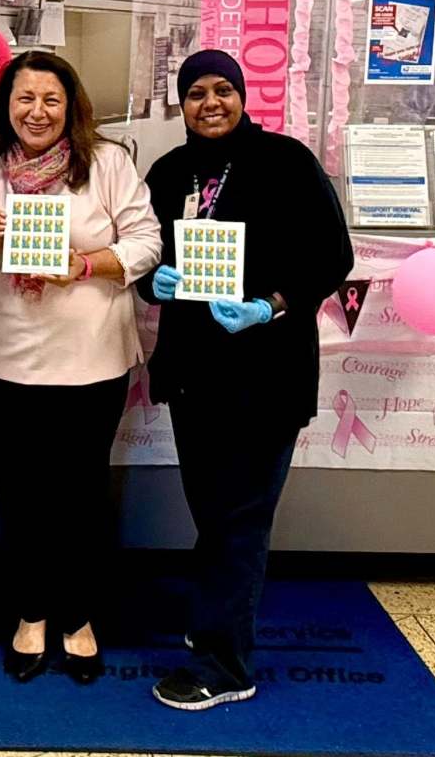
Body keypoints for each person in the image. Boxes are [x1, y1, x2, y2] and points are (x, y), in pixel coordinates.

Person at [137, 50, 353, 711]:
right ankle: (218, 620)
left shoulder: (286, 161)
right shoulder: (169, 172)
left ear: (242, 93)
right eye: (195, 92)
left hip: (266, 373)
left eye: (223, 89)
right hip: (193, 374)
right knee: (214, 514)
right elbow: (147, 256)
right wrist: (154, 280)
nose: (210, 102)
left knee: (240, 518)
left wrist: (274, 304)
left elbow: (332, 255)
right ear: (181, 103)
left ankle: (224, 665)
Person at [0, 51, 162, 684]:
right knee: (20, 497)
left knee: (78, 497)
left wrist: (83, 265)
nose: (36, 111)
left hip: (91, 360)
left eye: (50, 99)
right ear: (4, 106)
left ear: (70, 106)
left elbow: (148, 242)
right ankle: (31, 613)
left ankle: (77, 617)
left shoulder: (106, 164)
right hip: (7, 360)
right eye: (24, 99)